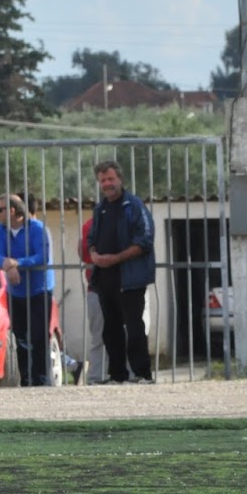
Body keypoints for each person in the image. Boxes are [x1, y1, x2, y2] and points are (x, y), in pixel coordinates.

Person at [87, 159, 156, 384]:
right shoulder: (100, 209)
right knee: (111, 330)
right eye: (103, 180)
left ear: (120, 179)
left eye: (110, 179)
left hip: (130, 279)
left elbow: (145, 240)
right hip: (105, 279)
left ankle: (142, 374)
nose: (107, 184)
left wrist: (116, 258)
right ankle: (117, 375)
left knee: (134, 328)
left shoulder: (134, 206)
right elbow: (91, 239)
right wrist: (94, 254)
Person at [0, 193, 54, 386]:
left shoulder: (37, 228)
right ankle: (26, 381)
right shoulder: (0, 230)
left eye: (0, 209)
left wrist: (17, 263)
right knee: (20, 338)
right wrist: (7, 264)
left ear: (12, 210)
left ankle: (41, 381)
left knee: (39, 336)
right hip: (16, 291)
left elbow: (42, 256)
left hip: (39, 290)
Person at [79, 218, 105, 385]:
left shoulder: (90, 225)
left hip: (97, 286)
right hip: (111, 285)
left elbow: (83, 253)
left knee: (99, 337)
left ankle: (96, 377)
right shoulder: (90, 225)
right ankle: (127, 375)